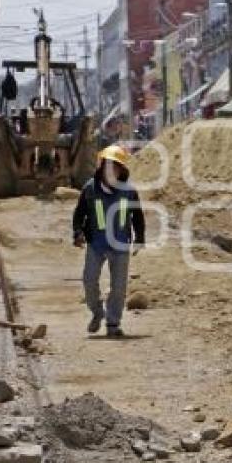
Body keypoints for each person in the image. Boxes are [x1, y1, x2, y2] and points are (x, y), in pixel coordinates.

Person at [72, 145, 145, 338]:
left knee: (119, 288)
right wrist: (77, 233)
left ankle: (113, 323)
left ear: (121, 170)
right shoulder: (90, 189)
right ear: (102, 167)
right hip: (97, 244)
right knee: (89, 281)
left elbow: (137, 216)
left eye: (116, 167)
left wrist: (140, 239)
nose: (111, 171)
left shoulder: (129, 191)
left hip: (120, 245)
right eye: (108, 166)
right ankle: (97, 312)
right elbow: (79, 213)